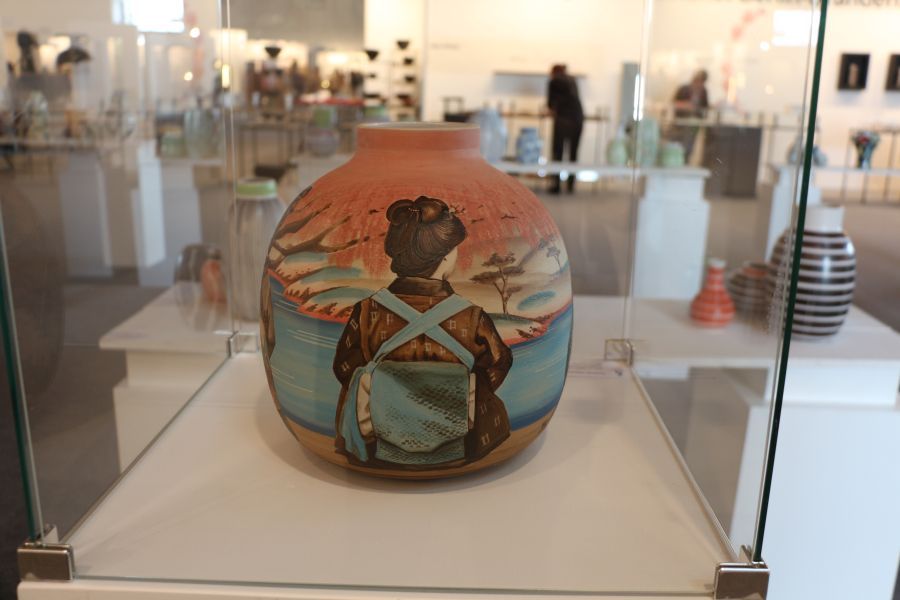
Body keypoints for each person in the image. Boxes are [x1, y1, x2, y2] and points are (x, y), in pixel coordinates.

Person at [333, 196, 513, 470]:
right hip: (461, 445)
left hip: (377, 444)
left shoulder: (367, 311)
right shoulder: (472, 317)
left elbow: (344, 367)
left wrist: (390, 394)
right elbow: (499, 362)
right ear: (445, 256)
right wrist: (456, 394)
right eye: (455, 249)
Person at [547, 64, 584, 194]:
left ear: (553, 72)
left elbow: (550, 104)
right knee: (573, 152)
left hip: (563, 119)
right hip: (578, 118)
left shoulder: (554, 81)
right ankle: (570, 185)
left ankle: (556, 185)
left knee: (558, 152)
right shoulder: (573, 79)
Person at [670, 69, 710, 160]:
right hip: (681, 122)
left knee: (690, 145)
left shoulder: (704, 91)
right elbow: (674, 103)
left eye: (702, 81)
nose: (699, 84)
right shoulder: (684, 89)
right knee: (678, 144)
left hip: (694, 124)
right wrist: (686, 105)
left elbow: (705, 107)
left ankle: (686, 159)